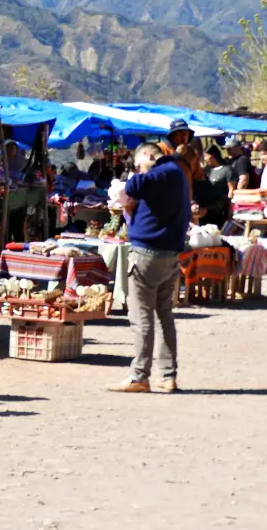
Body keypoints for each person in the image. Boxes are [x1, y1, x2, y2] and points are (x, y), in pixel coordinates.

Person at [109, 143, 189, 394]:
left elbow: (133, 186)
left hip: (147, 254)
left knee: (141, 316)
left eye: (138, 164)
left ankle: (139, 376)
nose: (138, 170)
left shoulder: (162, 171)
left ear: (147, 155)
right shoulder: (175, 173)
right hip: (169, 254)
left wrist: (142, 169)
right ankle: (167, 375)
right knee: (164, 315)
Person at [196, 146, 231, 227]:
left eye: (206, 156)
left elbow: (231, 190)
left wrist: (230, 211)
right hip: (205, 209)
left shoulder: (226, 170)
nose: (204, 159)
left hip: (219, 209)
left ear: (213, 156)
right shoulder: (206, 171)